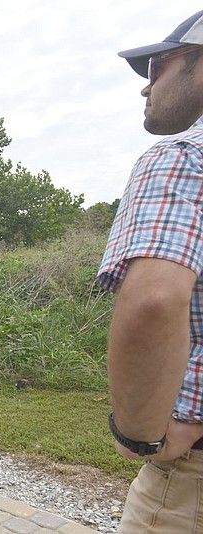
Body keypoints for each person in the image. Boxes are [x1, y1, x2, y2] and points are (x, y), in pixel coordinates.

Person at [96, 10, 203, 532]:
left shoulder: (182, 157)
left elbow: (153, 302)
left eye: (156, 67)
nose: (145, 87)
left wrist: (141, 434)